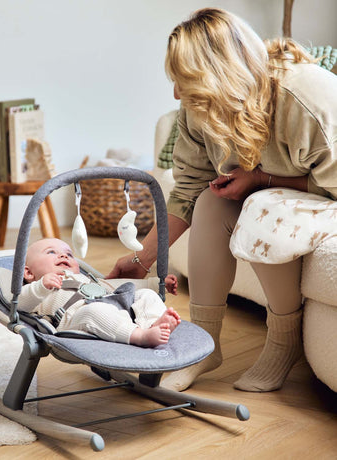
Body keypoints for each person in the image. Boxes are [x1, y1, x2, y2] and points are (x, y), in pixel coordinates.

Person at [107, 8, 337, 392]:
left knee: (262, 204)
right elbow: (187, 190)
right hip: (275, 195)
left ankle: (284, 341)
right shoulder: (198, 112)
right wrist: (140, 259)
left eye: (184, 81)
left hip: (325, 194)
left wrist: (262, 178)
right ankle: (203, 345)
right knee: (210, 203)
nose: (176, 94)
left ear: (219, 75)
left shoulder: (306, 96)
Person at [18, 238, 180, 347]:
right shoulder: (38, 289)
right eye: (51, 252)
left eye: (69, 254)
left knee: (146, 295)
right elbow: (21, 303)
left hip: (117, 309)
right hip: (77, 319)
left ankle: (152, 325)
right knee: (93, 311)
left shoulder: (86, 278)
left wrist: (154, 284)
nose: (63, 255)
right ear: (29, 273)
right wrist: (40, 286)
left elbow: (119, 285)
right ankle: (140, 337)